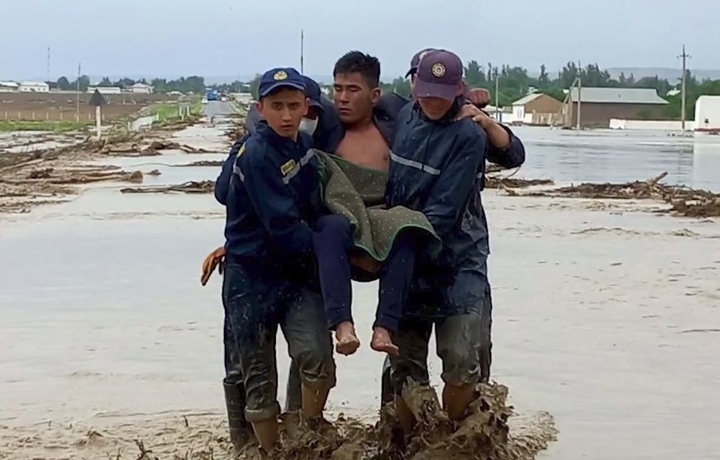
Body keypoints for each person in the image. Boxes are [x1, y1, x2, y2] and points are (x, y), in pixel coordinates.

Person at [221, 66, 335, 452]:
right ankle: (267, 450)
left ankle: (304, 432)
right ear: (260, 109)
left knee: (317, 357)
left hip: (297, 275)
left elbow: (316, 204)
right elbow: (285, 227)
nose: (286, 116)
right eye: (277, 106)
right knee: (257, 378)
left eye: (293, 106)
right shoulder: (254, 154)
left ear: (306, 107)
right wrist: (336, 255)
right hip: (251, 278)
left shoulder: (303, 146)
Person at [385, 49, 493, 430]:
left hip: (457, 258)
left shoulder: (469, 135)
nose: (431, 100)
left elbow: (444, 212)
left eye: (441, 94)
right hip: (407, 258)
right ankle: (405, 442)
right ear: (414, 84)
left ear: (458, 90)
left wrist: (391, 247)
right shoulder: (400, 115)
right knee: (404, 361)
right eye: (425, 91)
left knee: (462, 357)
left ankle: (454, 440)